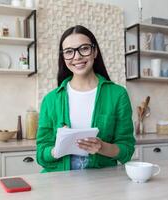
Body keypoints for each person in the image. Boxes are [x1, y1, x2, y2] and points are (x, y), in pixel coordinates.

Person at [36, 25, 135, 172]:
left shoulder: (118, 95)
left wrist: (102, 147)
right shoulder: (50, 100)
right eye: (69, 52)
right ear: (63, 57)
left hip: (100, 183)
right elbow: (40, 155)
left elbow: (126, 150)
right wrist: (57, 149)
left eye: (84, 48)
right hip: (59, 183)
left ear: (94, 52)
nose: (77, 56)